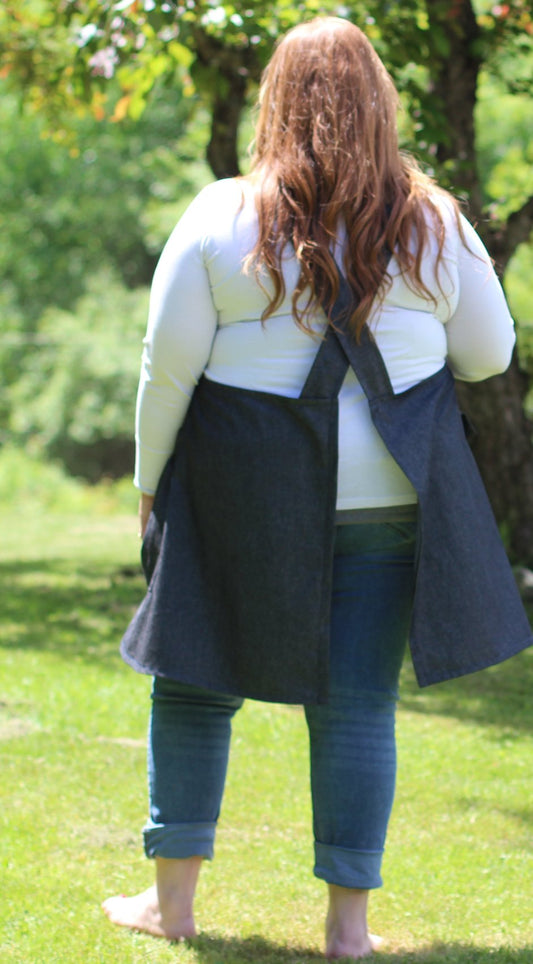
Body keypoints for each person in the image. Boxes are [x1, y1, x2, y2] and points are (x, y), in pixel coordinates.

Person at [102, 16, 520, 959]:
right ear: (380, 103)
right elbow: (490, 356)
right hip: (388, 498)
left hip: (239, 494)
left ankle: (171, 907)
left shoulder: (221, 214)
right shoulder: (435, 220)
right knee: (357, 705)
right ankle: (347, 931)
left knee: (194, 681)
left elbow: (166, 369)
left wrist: (148, 482)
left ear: (274, 103)